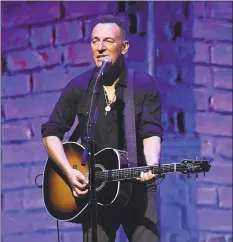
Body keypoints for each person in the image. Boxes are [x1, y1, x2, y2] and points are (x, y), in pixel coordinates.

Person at [41, 15, 163, 242]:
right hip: (96, 193)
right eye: (95, 41)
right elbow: (51, 132)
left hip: (136, 188)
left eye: (108, 41)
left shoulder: (144, 85)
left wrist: (152, 163)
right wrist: (69, 171)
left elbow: (151, 132)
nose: (100, 48)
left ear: (124, 47)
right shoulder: (79, 87)